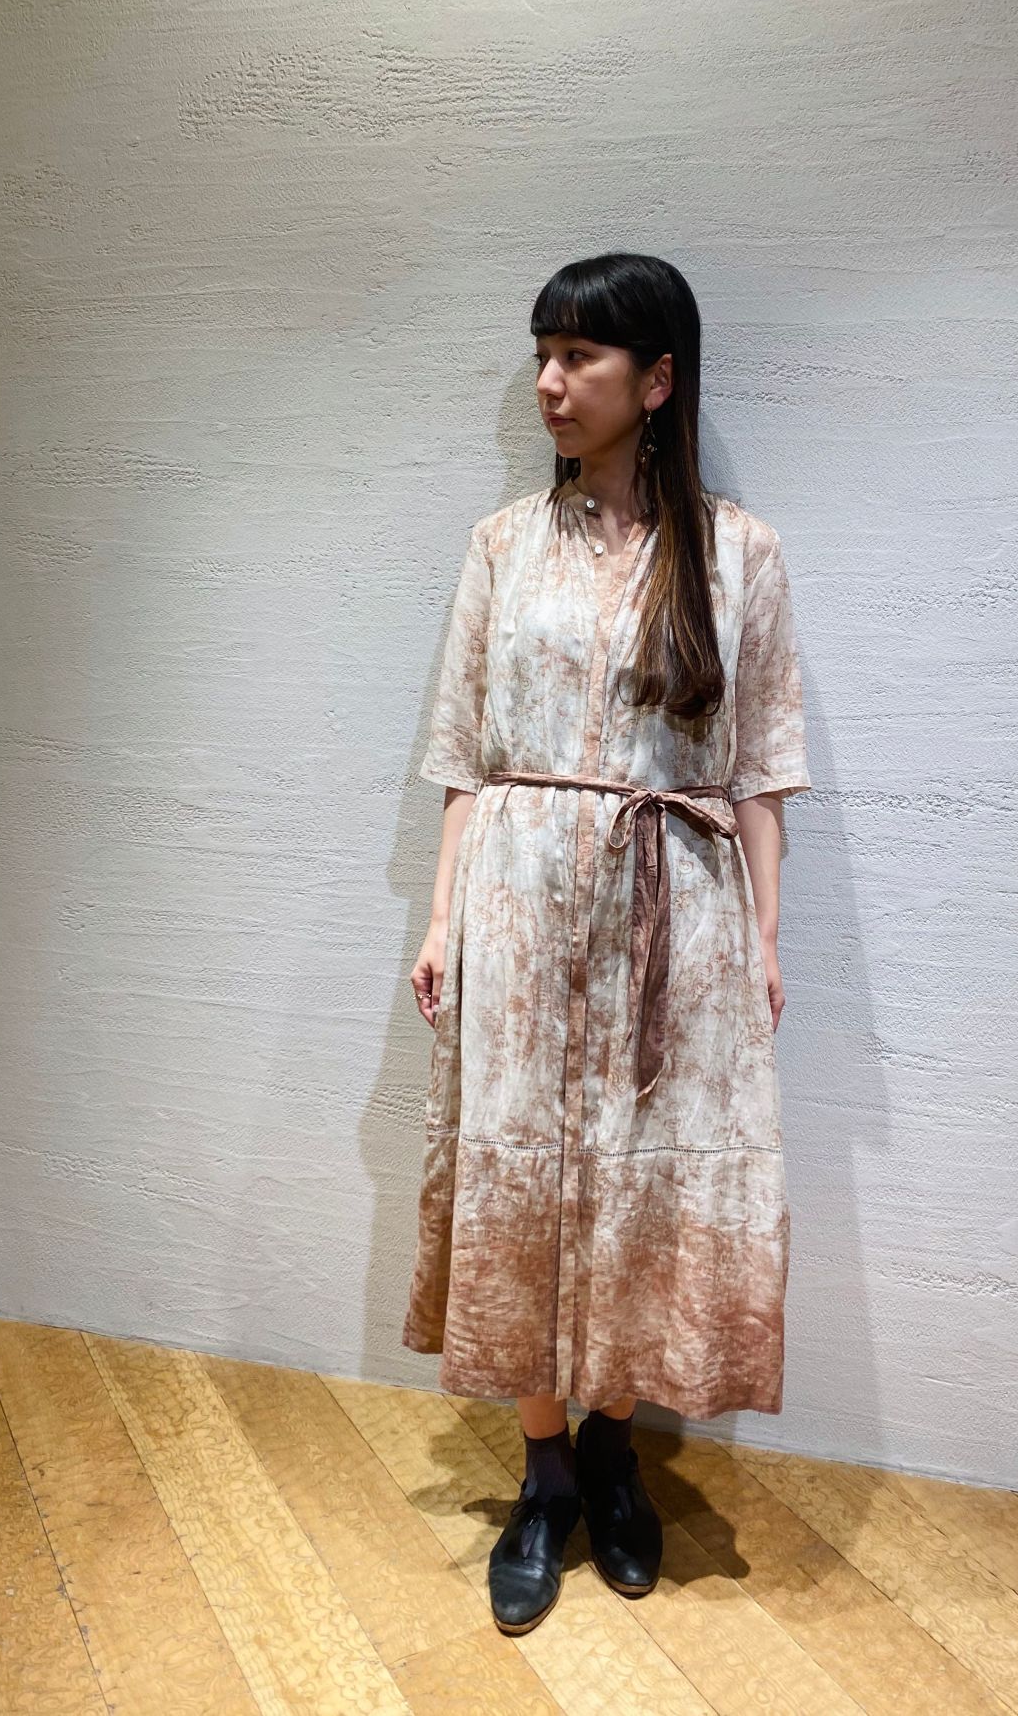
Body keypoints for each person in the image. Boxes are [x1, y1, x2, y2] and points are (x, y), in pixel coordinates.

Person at [404, 252, 812, 1634]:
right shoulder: (501, 545)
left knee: (642, 1182)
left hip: (675, 908)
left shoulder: (741, 554)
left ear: (659, 379)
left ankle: (615, 1448)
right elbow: (465, 757)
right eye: (542, 353)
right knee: (517, 1170)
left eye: (579, 356)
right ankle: (543, 1477)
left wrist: (763, 939)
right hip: (519, 903)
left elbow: (760, 771)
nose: (549, 382)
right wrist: (443, 918)